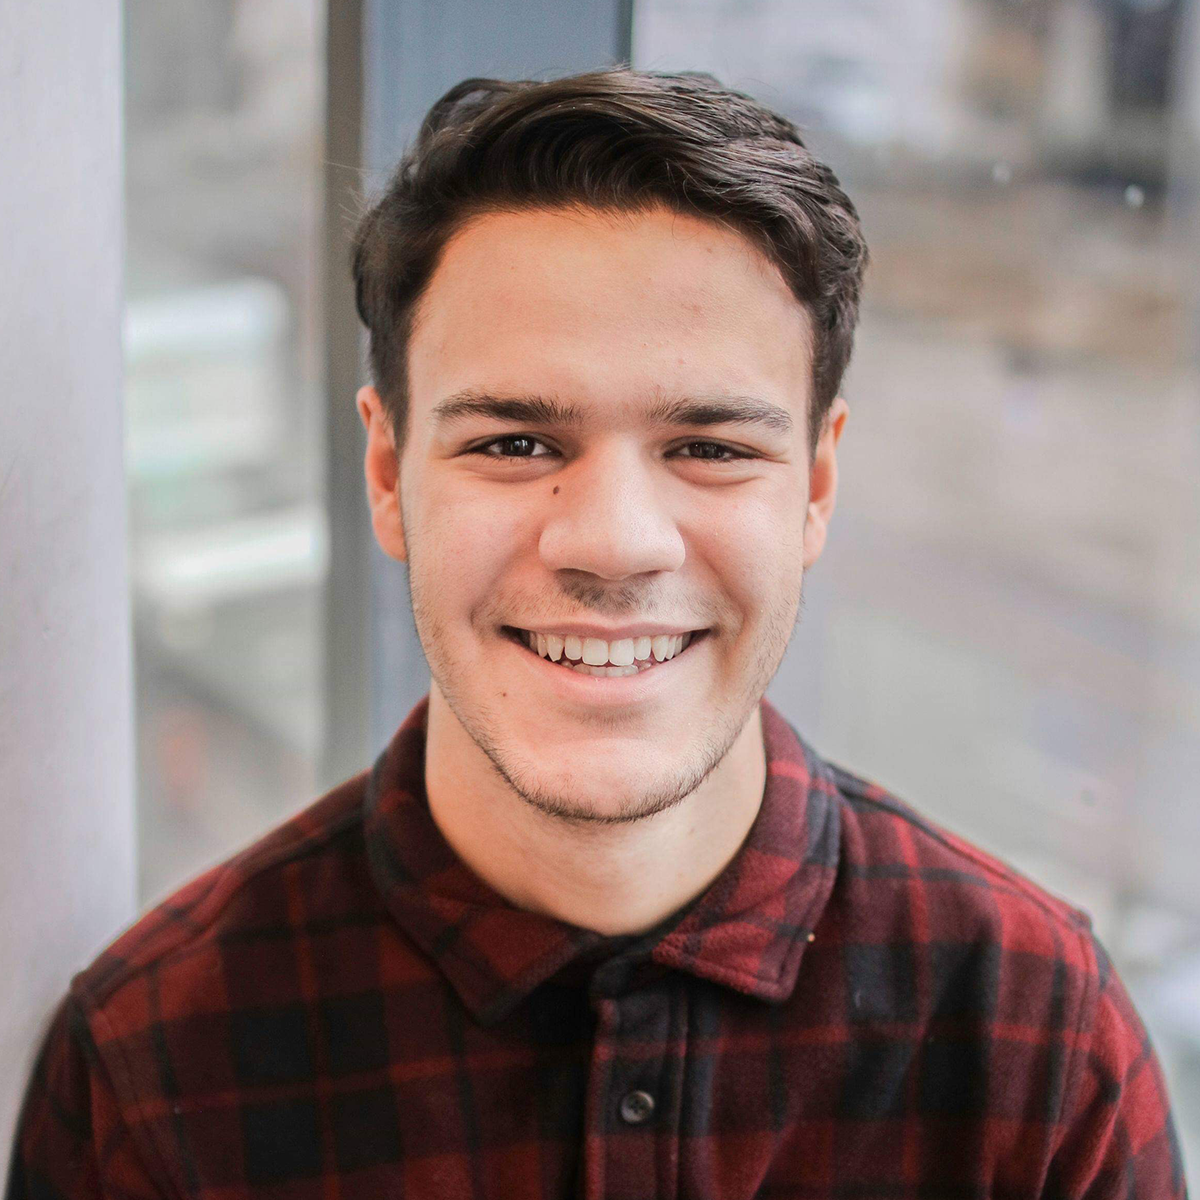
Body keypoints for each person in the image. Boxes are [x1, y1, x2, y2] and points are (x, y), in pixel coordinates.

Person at [6, 67, 1187, 1200]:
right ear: (385, 468)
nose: (616, 544)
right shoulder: (151, 1069)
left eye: (711, 447)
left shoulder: (1037, 1042)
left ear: (817, 486)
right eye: (515, 443)